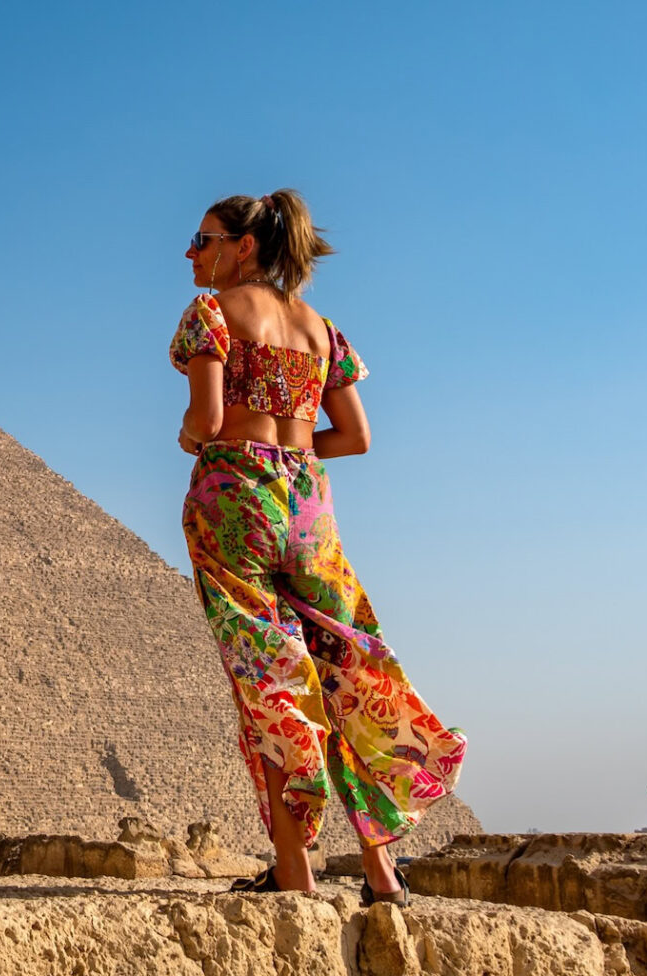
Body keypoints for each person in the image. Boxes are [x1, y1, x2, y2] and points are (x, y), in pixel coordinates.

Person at [171, 189, 466, 904]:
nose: (190, 253)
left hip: (234, 500)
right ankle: (379, 871)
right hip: (308, 507)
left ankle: (294, 870)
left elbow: (208, 420)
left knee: (267, 680)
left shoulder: (211, 314)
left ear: (243, 247)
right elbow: (355, 438)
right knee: (345, 672)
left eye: (203, 239)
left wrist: (194, 436)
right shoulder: (322, 330)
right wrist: (292, 449)